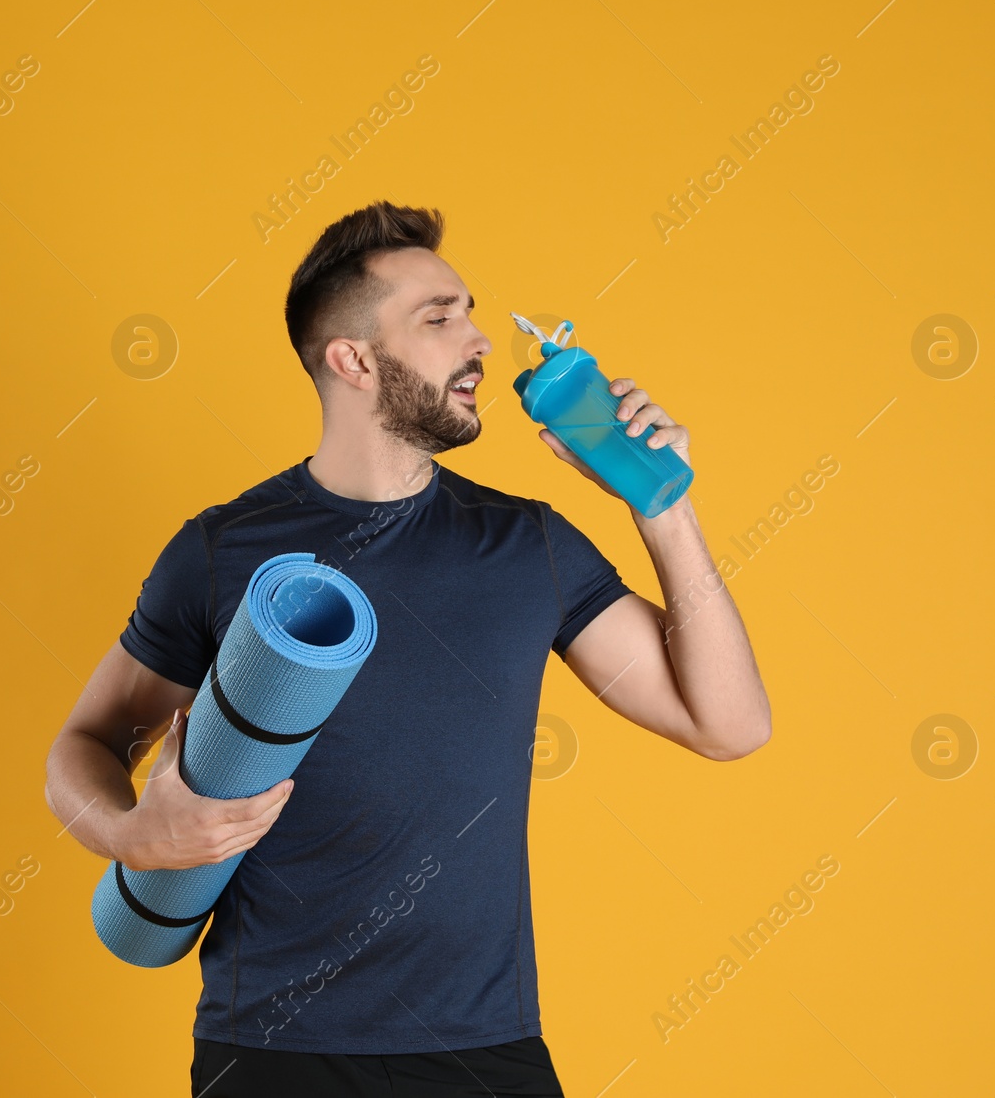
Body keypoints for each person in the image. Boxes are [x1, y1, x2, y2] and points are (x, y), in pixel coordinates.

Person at [44, 200, 772, 1096]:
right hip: (271, 1053)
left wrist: (662, 501)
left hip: (483, 1051)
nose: (480, 342)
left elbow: (729, 724)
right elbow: (84, 742)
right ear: (352, 359)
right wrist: (129, 832)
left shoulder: (527, 546)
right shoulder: (221, 548)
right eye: (440, 318)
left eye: (469, 312)